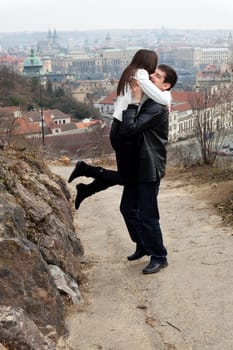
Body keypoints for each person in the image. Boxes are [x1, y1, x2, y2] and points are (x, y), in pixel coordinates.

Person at [68, 64, 178, 275]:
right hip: (138, 164)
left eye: (157, 76)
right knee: (127, 208)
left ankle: (159, 256)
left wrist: (135, 101)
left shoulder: (156, 107)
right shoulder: (153, 99)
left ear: (166, 85)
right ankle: (143, 244)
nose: (151, 77)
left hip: (149, 167)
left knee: (148, 215)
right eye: (153, 73)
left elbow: (129, 129)